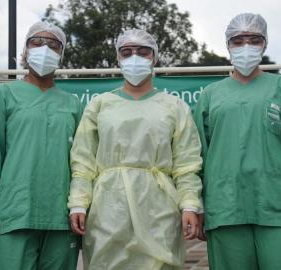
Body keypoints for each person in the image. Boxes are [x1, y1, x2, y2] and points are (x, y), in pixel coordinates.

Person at [193, 13, 281, 270]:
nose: (246, 46)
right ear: (228, 45)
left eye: (254, 40)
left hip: (278, 207)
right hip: (224, 208)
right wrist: (197, 205)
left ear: (264, 44)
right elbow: (197, 155)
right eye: (238, 40)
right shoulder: (210, 95)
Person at [68, 29, 203, 270]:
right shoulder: (100, 105)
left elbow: (187, 162)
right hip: (108, 207)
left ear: (155, 58)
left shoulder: (174, 107)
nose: (134, 57)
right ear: (118, 59)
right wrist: (78, 203)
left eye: (143, 52)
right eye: (126, 52)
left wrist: (190, 205)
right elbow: (83, 160)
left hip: (158, 207)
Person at [0, 21, 82, 270]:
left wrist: (81, 206)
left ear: (60, 55)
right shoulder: (2, 96)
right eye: (37, 42)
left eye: (53, 45)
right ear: (25, 51)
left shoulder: (73, 105)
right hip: (14, 214)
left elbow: (83, 163)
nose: (44, 48)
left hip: (62, 219)